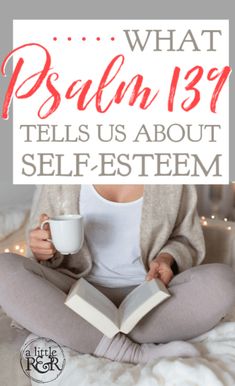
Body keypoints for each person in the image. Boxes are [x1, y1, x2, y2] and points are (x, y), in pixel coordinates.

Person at [0, 184, 235, 365]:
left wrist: (167, 259)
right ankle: (128, 351)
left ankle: (81, 332)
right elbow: (39, 239)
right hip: (73, 294)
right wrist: (42, 248)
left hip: (148, 297)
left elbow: (185, 238)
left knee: (223, 282)